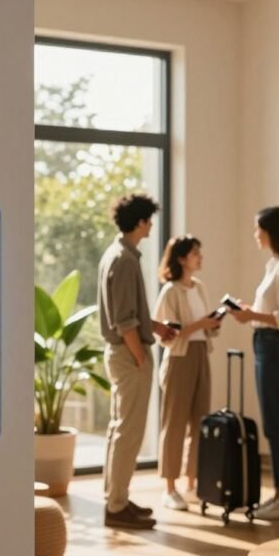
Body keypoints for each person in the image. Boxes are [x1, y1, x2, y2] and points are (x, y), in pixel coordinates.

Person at [98, 193, 177, 530]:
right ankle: (117, 507)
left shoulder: (115, 255)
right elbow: (124, 322)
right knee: (128, 433)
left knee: (120, 430)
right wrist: (141, 358)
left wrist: (155, 327)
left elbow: (128, 314)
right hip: (129, 356)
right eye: (149, 221)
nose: (152, 227)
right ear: (141, 222)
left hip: (123, 353)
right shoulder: (125, 260)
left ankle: (116, 499)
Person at [229, 206, 279, 520]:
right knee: (272, 424)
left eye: (258, 229)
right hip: (265, 344)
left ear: (272, 231)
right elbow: (273, 311)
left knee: (277, 424)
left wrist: (252, 315)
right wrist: (250, 312)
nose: (255, 235)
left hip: (276, 347)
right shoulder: (273, 265)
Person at [153, 236, 222, 510]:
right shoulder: (170, 291)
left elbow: (204, 327)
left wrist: (212, 323)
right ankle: (170, 488)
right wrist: (201, 323)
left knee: (200, 421)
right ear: (181, 258)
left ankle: (192, 485)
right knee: (175, 423)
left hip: (201, 354)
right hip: (179, 359)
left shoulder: (199, 287)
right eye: (195, 253)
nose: (200, 257)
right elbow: (168, 333)